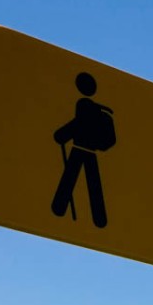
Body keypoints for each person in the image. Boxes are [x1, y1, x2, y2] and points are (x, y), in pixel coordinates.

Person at [51, 72, 114, 228]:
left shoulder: (84, 106)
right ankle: (99, 219)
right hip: (91, 152)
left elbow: (77, 124)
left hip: (79, 148)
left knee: (70, 178)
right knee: (91, 182)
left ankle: (59, 208)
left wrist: (61, 136)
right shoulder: (100, 111)